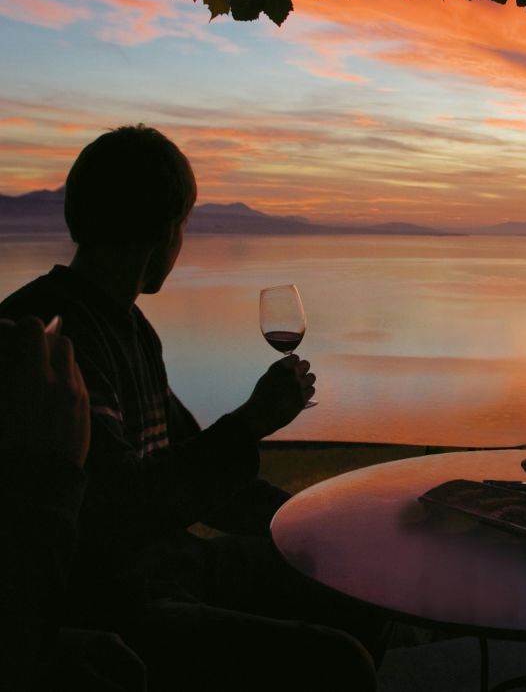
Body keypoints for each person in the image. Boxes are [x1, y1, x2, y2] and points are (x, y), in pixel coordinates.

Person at [0, 125, 379, 692]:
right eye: (184, 226)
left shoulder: (130, 327)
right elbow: (122, 504)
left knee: (354, 584)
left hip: (168, 565)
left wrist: (309, 523)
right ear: (164, 229)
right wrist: (252, 421)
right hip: (112, 600)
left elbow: (195, 468)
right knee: (337, 662)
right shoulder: (51, 334)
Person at [1, 315, 145, 691]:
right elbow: (129, 509)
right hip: (129, 592)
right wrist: (53, 476)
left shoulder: (133, 328)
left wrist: (57, 644)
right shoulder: (53, 346)